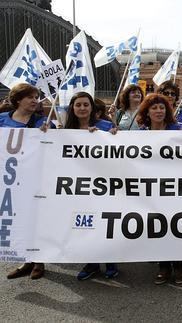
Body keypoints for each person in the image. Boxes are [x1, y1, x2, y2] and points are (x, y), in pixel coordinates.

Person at [58, 92, 119, 280]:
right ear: (72, 108)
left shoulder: (105, 126)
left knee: (106, 225)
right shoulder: (66, 130)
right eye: (78, 105)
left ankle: (110, 262)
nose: (82, 108)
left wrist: (113, 135)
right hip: (79, 188)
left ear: (92, 108)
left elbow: (120, 149)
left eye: (86, 104)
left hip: (104, 185)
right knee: (85, 226)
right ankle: (91, 264)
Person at [136, 94, 182, 284]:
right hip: (151, 189)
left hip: (176, 188)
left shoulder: (179, 130)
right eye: (154, 108)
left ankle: (179, 265)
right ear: (147, 112)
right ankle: (164, 266)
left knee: (176, 226)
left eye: (162, 108)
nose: (158, 111)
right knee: (158, 227)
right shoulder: (139, 134)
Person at [2, 83, 54, 280]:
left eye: (37, 97)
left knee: (36, 220)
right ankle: (26, 261)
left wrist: (49, 133)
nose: (35, 100)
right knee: (18, 220)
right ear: (17, 100)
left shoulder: (42, 122)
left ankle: (38, 261)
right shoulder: (2, 120)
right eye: (30, 97)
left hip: (35, 180)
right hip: (9, 180)